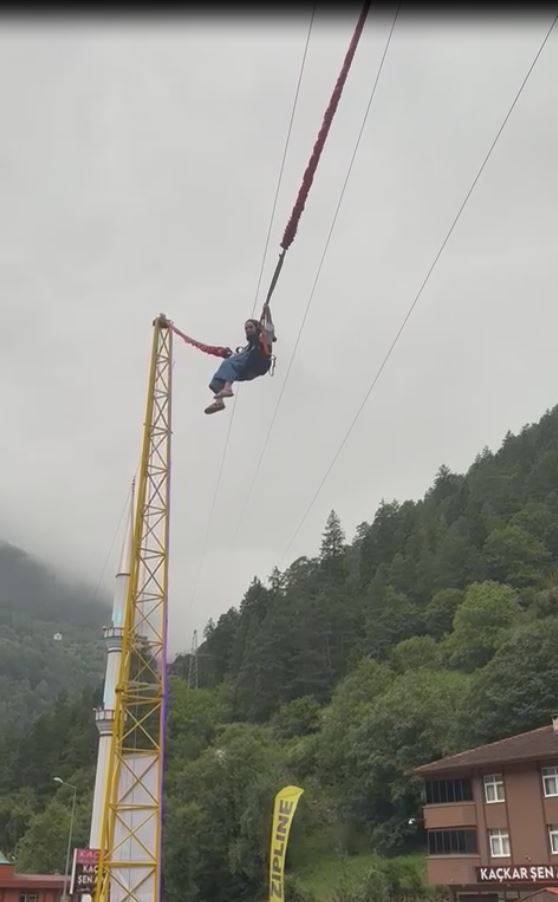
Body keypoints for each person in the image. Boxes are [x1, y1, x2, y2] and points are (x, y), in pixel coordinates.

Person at [205, 317, 273, 414]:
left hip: (258, 363)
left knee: (229, 362)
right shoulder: (247, 348)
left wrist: (266, 313)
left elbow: (270, 329)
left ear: (257, 328)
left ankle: (227, 388)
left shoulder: (261, 339)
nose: (248, 330)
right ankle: (219, 402)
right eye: (246, 328)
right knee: (217, 380)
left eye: (250, 327)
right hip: (245, 370)